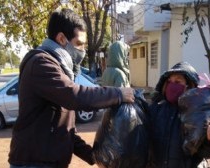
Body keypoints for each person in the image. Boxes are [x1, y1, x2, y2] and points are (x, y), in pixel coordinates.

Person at [8, 8, 134, 168]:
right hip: (33, 163)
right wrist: (118, 94)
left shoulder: (60, 68)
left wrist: (93, 156)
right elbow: (74, 96)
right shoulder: (41, 63)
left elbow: (66, 130)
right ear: (61, 38)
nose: (82, 51)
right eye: (79, 44)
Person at [147, 62, 210, 168]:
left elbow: (203, 153)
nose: (172, 85)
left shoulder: (199, 114)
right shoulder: (156, 109)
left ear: (189, 85)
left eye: (177, 81)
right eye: (169, 81)